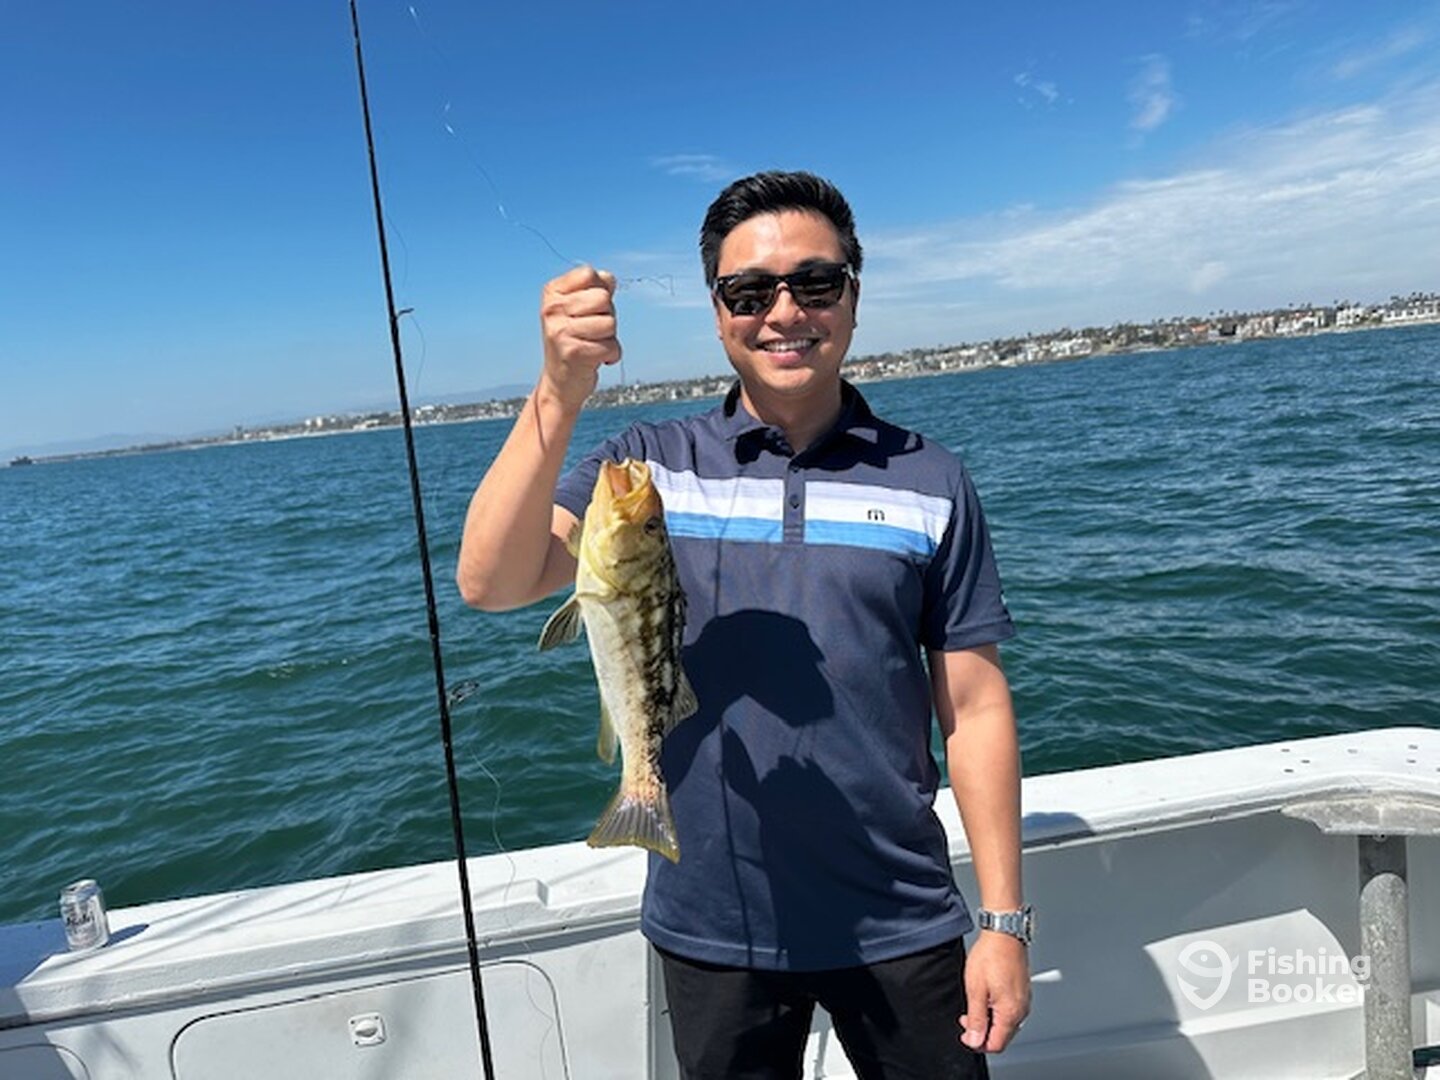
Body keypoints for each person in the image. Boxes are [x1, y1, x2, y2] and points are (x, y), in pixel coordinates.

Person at [458, 170, 1030, 1079]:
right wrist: (559, 391)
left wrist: (1002, 922)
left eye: (815, 283)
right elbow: (491, 581)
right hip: (711, 920)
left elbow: (976, 707)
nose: (784, 312)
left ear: (853, 295)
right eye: (750, 291)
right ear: (718, 312)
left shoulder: (931, 480)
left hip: (902, 909)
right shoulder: (646, 468)